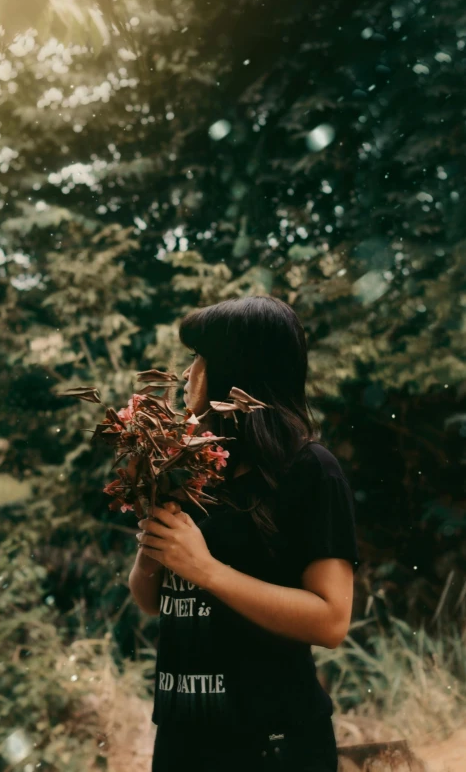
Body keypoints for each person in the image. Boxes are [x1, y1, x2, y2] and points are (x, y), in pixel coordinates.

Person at [128, 295, 360, 772]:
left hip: (271, 743)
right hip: (182, 737)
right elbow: (152, 600)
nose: (188, 372)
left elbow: (331, 620)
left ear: (238, 371)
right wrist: (154, 553)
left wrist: (208, 570)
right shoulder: (190, 465)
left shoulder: (310, 471)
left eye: (200, 358)